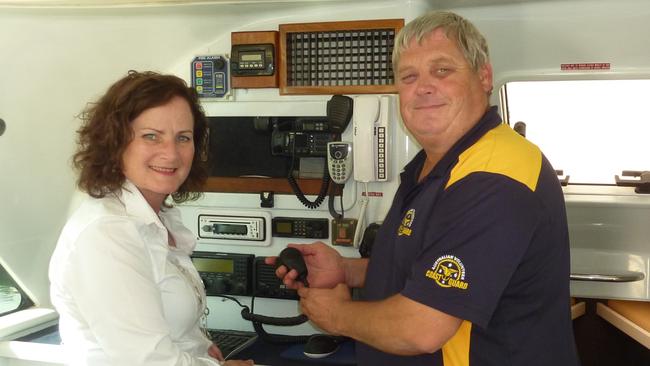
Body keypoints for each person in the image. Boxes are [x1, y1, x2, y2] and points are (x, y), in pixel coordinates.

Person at [267, 11, 580, 366]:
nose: (423, 87)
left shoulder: (495, 177)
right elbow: (427, 270)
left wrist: (336, 315)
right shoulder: (432, 165)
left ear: (484, 76)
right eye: (409, 76)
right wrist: (349, 271)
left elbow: (420, 328)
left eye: (442, 70)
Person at [49, 71, 254, 366]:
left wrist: (199, 344)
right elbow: (148, 360)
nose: (171, 154)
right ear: (116, 142)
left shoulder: (159, 217)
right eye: (151, 136)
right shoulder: (107, 234)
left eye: (183, 138)